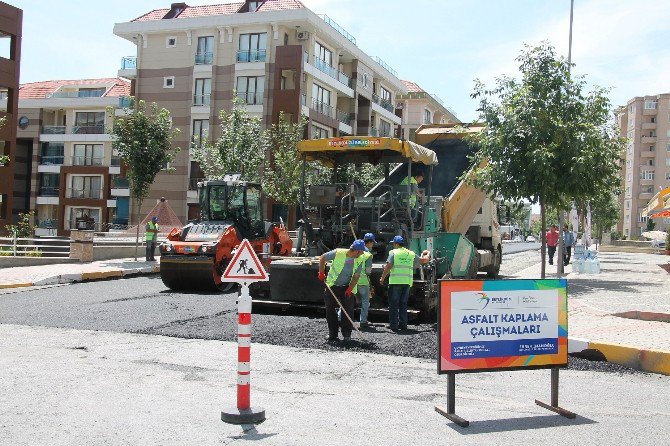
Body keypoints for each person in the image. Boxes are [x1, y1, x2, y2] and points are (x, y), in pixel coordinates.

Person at [318, 240, 366, 342]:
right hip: (332, 286)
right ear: (356, 251)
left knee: (348, 311)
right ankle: (333, 335)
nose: (362, 254)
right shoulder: (338, 253)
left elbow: (356, 276)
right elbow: (322, 257)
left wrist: (350, 289)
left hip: (347, 287)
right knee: (330, 310)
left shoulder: (360, 259)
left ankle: (347, 335)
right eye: (361, 252)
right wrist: (321, 272)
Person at [379, 235, 430, 331]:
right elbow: (424, 260)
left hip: (395, 282)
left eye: (394, 243)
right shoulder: (411, 253)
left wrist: (382, 278)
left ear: (396, 244)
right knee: (403, 304)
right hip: (407, 282)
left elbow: (389, 265)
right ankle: (403, 324)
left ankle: (393, 325)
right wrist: (427, 254)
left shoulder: (393, 252)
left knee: (393, 304)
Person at [358, 233, 376, 328]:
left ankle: (340, 318)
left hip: (352, 280)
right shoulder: (368, 255)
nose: (373, 245)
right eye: (372, 243)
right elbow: (368, 271)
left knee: (348, 301)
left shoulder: (355, 252)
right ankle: (363, 321)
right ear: (369, 242)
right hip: (363, 281)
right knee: (365, 301)